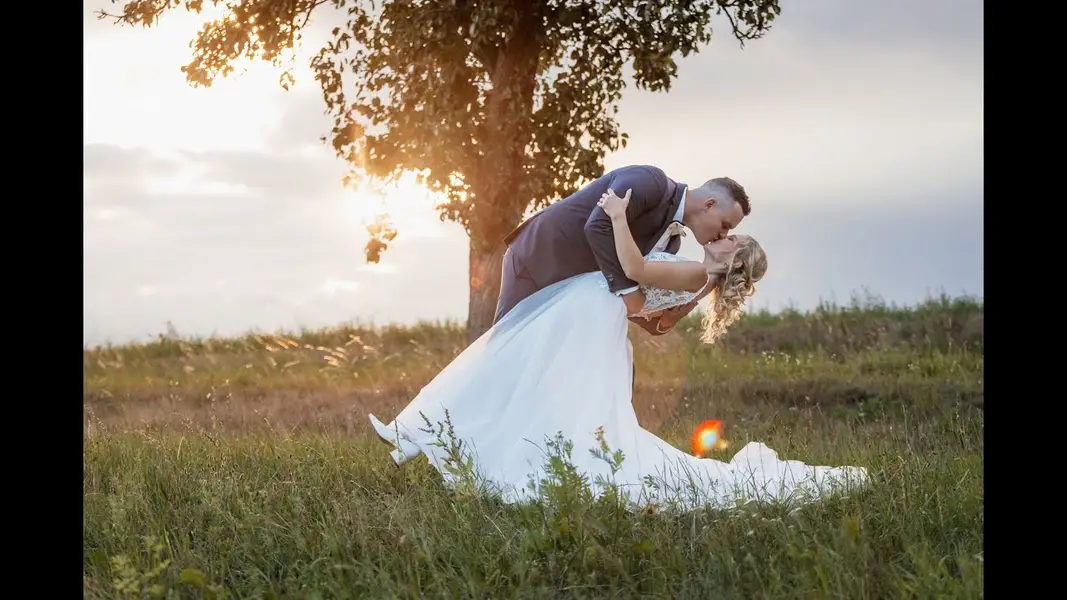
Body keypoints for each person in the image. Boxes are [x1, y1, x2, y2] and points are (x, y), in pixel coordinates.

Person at [368, 187, 868, 512]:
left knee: (518, 369)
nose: (724, 237)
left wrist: (615, 216)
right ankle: (451, 437)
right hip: (595, 314)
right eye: (727, 232)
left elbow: (635, 267)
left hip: (590, 312)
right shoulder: (698, 277)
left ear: (731, 260)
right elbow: (656, 319)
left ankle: (448, 437)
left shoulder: (697, 273)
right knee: (540, 382)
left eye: (732, 242)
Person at [494, 165, 750, 337]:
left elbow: (639, 299)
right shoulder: (649, 182)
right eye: (725, 225)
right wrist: (629, 292)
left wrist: (662, 322)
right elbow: (597, 225)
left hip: (574, 295)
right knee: (506, 342)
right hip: (537, 259)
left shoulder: (672, 244)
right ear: (709, 204)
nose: (723, 234)